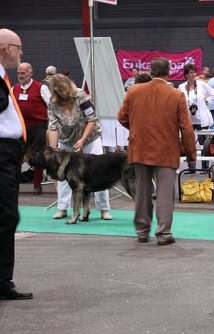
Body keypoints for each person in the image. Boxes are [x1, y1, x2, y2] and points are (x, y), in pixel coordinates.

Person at [118, 57, 197, 245]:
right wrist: (191, 154)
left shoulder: (133, 91)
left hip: (140, 148)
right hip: (166, 150)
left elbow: (122, 117)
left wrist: (137, 129)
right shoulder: (176, 95)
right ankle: (164, 234)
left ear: (150, 71)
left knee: (142, 191)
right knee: (165, 193)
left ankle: (142, 232)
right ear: (169, 72)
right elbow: (186, 128)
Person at [47, 74, 112, 220]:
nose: (63, 93)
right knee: (64, 173)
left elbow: (92, 119)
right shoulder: (53, 103)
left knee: (99, 171)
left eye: (65, 90)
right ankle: (62, 208)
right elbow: (53, 126)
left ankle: (104, 209)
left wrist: (82, 140)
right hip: (66, 139)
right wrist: (53, 149)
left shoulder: (80, 95)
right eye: (59, 91)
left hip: (89, 137)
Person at [0, 28, 33, 300]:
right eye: (18, 47)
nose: (21, 53)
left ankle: (3, 280)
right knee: (6, 216)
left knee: (7, 216)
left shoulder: (3, 76)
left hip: (8, 153)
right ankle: (2, 281)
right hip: (1, 154)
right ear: (5, 47)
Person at [14, 62, 51, 195]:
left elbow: (51, 105)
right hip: (20, 128)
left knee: (37, 155)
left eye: (23, 73)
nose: (20, 76)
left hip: (38, 127)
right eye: (18, 73)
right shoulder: (14, 88)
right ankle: (14, 185)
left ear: (30, 73)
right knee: (16, 155)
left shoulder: (41, 88)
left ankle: (37, 185)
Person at [177, 64, 214, 172]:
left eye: (194, 72)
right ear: (186, 75)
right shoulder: (181, 87)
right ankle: (191, 166)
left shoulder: (201, 85)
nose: (193, 75)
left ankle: (205, 166)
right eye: (190, 73)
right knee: (189, 143)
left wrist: (207, 101)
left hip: (202, 118)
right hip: (188, 119)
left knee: (204, 143)